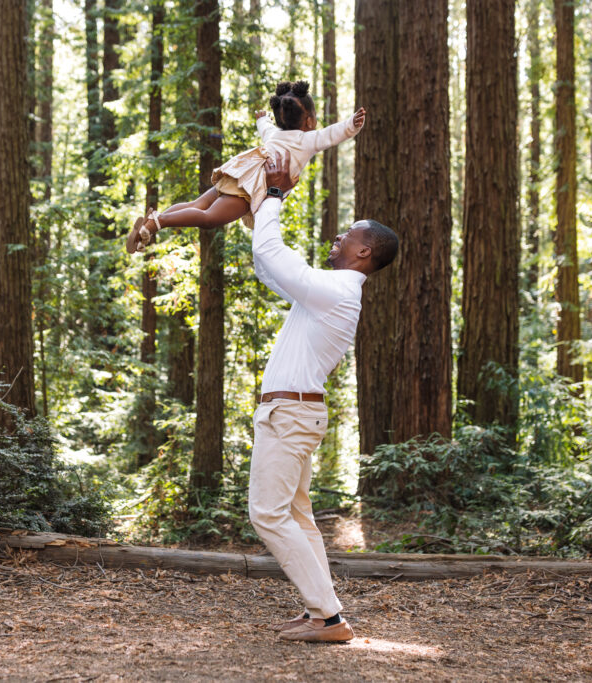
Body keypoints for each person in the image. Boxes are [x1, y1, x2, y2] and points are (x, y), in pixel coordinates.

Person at [248, 151, 398, 643]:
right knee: (295, 516)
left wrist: (273, 195)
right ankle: (320, 613)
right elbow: (268, 267)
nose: (338, 237)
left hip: (291, 414)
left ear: (363, 253)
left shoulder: (337, 290)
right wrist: (259, 207)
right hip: (291, 411)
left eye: (348, 234)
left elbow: (275, 257)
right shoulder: (327, 290)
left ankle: (330, 619)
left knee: (267, 514)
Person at [125, 81, 366, 253]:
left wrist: (262, 119)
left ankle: (155, 219)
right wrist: (351, 125)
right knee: (208, 218)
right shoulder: (306, 140)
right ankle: (159, 222)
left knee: (198, 204)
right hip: (252, 186)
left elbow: (265, 127)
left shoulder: (274, 135)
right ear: (310, 121)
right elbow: (331, 135)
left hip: (240, 171)